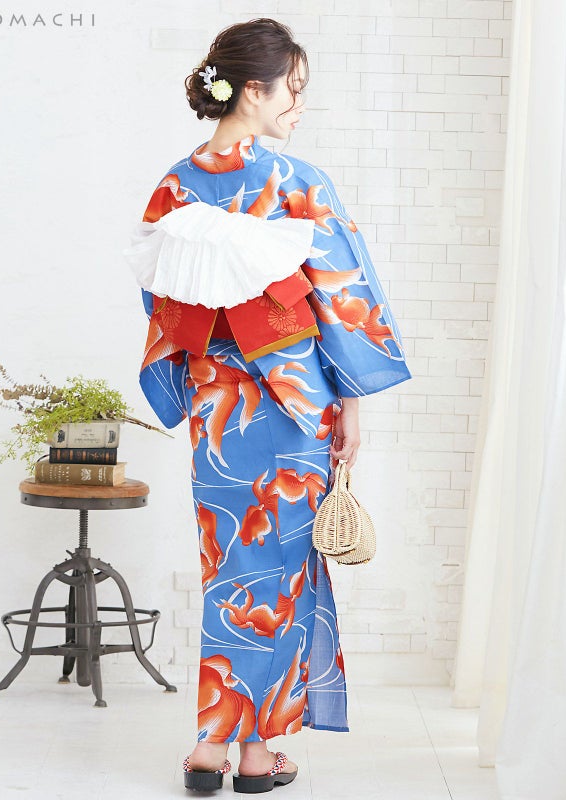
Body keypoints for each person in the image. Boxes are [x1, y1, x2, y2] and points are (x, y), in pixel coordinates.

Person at [124, 18, 411, 794]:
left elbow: (161, 301)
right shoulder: (298, 181)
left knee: (230, 570)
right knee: (282, 570)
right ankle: (252, 755)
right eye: (294, 89)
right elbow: (344, 298)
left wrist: (194, 371)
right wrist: (352, 403)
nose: (299, 106)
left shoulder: (172, 187)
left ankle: (211, 747)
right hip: (294, 404)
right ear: (254, 89)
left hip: (218, 410)